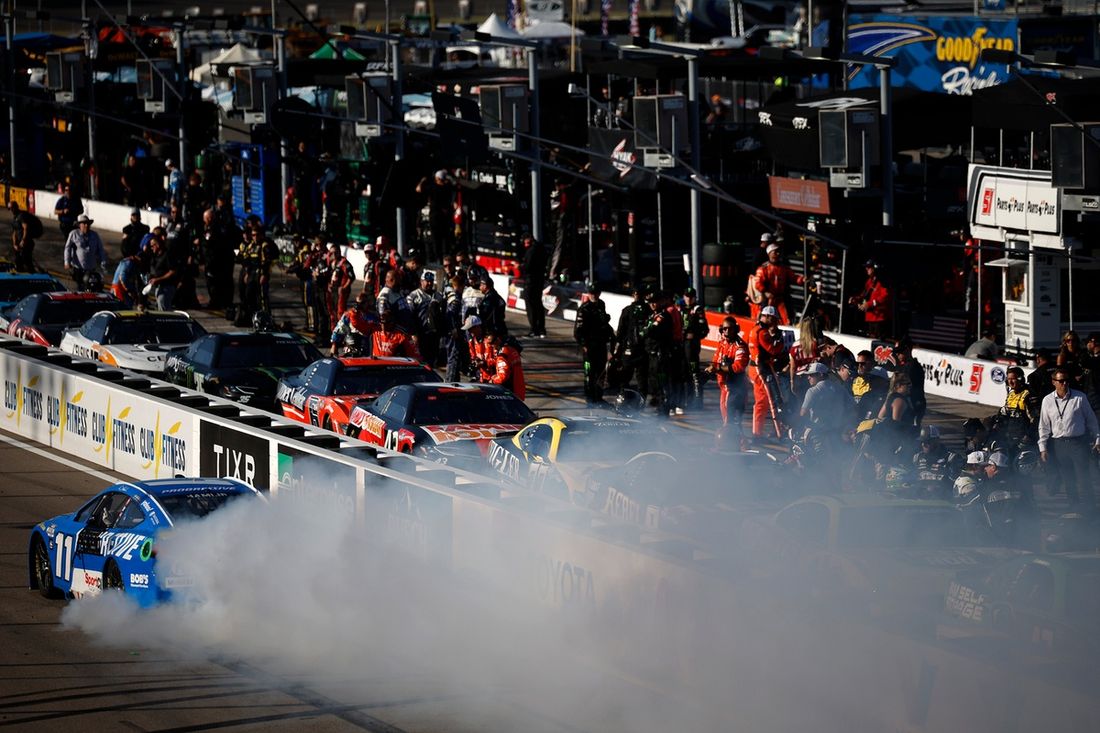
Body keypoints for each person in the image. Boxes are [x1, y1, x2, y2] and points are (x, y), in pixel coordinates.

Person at [1038, 367, 1100, 511]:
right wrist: (1043, 448)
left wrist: (1098, 439)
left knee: (1084, 479)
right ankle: (1074, 509)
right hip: (1059, 444)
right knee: (1068, 480)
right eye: (1061, 381)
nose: (1064, 383)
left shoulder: (1079, 397)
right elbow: (1044, 426)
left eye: (1066, 380)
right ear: (1054, 382)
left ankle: (1091, 511)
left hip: (1078, 443)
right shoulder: (1047, 401)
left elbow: (1091, 420)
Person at [706, 317, 750, 445]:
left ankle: (739, 444)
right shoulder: (722, 343)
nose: (726, 331)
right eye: (724, 329)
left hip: (736, 388)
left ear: (736, 330)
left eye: (730, 329)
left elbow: (738, 367)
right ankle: (735, 443)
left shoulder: (740, 346)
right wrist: (711, 368)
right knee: (728, 419)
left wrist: (719, 367)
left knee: (731, 420)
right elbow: (716, 359)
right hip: (724, 386)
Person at [747, 305, 787, 439]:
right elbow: (774, 350)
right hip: (762, 370)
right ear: (768, 317)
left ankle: (756, 433)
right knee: (774, 400)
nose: (775, 322)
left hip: (755, 368)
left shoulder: (755, 329)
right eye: (774, 319)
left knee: (761, 403)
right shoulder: (762, 332)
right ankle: (780, 433)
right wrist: (779, 338)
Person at [574, 285, 615, 406]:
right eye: (592, 293)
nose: (594, 296)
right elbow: (577, 331)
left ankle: (599, 396)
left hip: (601, 344)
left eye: (596, 293)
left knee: (601, 372)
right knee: (589, 374)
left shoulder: (601, 304)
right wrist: (584, 344)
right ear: (588, 294)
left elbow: (604, 322)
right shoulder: (584, 309)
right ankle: (590, 398)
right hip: (589, 346)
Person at [749, 243, 803, 323]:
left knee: (787, 320)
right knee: (765, 320)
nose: (777, 254)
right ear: (769, 254)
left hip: (782, 299)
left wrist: (802, 279)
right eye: (775, 252)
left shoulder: (784, 268)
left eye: (778, 252)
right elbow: (758, 283)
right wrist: (765, 292)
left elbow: (794, 278)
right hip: (769, 299)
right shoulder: (763, 268)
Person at [613, 286, 649, 397]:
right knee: (637, 378)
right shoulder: (648, 309)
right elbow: (620, 332)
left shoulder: (628, 310)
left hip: (634, 350)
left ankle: (625, 398)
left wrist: (616, 349)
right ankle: (633, 399)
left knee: (630, 378)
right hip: (638, 349)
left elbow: (620, 332)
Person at [875, 371, 917, 464]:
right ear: (898, 385)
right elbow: (896, 424)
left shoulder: (890, 397)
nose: (910, 386)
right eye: (908, 384)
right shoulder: (899, 400)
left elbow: (880, 416)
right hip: (896, 443)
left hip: (885, 440)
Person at [991, 366, 1037, 448]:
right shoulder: (1011, 394)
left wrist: (1027, 437)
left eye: (1013, 379)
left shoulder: (1028, 395)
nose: (1010, 382)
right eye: (1009, 379)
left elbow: (1035, 420)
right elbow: (1004, 414)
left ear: (1020, 379)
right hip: (1009, 437)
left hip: (1023, 439)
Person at [406, 270, 443, 368]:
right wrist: (413, 333)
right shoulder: (413, 296)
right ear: (421, 281)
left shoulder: (438, 296)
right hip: (420, 334)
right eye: (427, 281)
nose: (429, 283)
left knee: (432, 362)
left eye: (431, 281)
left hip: (434, 335)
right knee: (419, 361)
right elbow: (409, 316)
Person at [416, 169, 456, 259]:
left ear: (437, 178)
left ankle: (438, 258)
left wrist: (423, 180)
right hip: (446, 217)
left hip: (435, 217)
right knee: (445, 238)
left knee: (436, 239)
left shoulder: (433, 188)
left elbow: (418, 189)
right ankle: (446, 256)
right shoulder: (448, 188)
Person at [681, 287, 709, 409]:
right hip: (682, 345)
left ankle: (698, 402)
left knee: (694, 374)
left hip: (692, 346)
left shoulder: (698, 310)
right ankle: (687, 401)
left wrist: (694, 335)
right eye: (687, 296)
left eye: (691, 296)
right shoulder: (681, 309)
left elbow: (705, 330)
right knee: (685, 374)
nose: (689, 298)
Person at [63, 214, 106, 290]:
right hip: (78, 269)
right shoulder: (74, 234)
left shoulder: (94, 235)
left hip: (91, 269)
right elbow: (67, 248)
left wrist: (103, 261)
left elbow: (101, 249)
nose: (86, 225)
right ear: (79, 225)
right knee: (80, 288)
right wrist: (67, 262)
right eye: (84, 223)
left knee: (91, 288)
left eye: (88, 223)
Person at [849, 260, 891, 338]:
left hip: (879, 318)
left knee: (878, 342)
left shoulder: (882, 282)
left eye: (868, 267)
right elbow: (864, 295)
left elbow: (885, 297)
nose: (866, 269)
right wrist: (856, 299)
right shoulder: (869, 281)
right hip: (870, 317)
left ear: (875, 268)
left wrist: (869, 304)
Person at [330, 292, 379, 357]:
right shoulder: (348, 315)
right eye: (357, 303)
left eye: (362, 303)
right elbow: (338, 329)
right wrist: (334, 345)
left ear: (368, 302)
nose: (359, 305)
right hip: (350, 349)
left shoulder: (373, 316)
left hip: (367, 350)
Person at [443, 275, 469, 381]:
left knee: (454, 358)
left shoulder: (449, 295)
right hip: (453, 333)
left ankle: (454, 379)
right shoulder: (455, 298)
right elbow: (450, 315)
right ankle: (450, 381)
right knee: (453, 358)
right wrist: (454, 329)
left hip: (451, 332)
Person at [485, 332, 525, 399]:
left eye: (491, 343)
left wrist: (492, 380)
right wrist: (487, 362)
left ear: (498, 340)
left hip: (509, 393)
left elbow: (502, 377)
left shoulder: (502, 356)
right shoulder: (512, 350)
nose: (491, 346)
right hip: (519, 388)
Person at [522, 235, 547, 338]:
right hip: (539, 281)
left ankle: (534, 329)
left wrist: (522, 267)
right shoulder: (542, 250)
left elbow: (527, 266)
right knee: (538, 304)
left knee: (531, 305)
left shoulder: (531, 251)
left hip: (531, 281)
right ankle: (541, 329)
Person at [145, 235, 179, 310]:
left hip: (167, 286)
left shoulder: (167, 255)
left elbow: (172, 271)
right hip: (158, 286)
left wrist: (158, 279)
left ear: (157, 245)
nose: (151, 248)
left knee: (163, 305)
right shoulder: (155, 256)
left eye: (152, 246)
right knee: (159, 306)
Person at [463, 315, 496, 383]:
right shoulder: (471, 342)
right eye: (468, 329)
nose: (469, 331)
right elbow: (473, 357)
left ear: (478, 327)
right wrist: (474, 363)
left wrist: (485, 363)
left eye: (470, 328)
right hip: (481, 376)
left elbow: (499, 359)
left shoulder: (491, 340)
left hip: (494, 377)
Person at [8, 201, 39, 272]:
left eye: (12, 208)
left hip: (27, 243)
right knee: (18, 261)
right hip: (19, 244)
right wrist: (14, 244)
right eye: (9, 209)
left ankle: (32, 275)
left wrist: (23, 240)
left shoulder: (21, 216)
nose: (11, 210)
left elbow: (26, 228)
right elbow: (14, 233)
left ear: (16, 207)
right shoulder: (14, 219)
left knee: (27, 260)